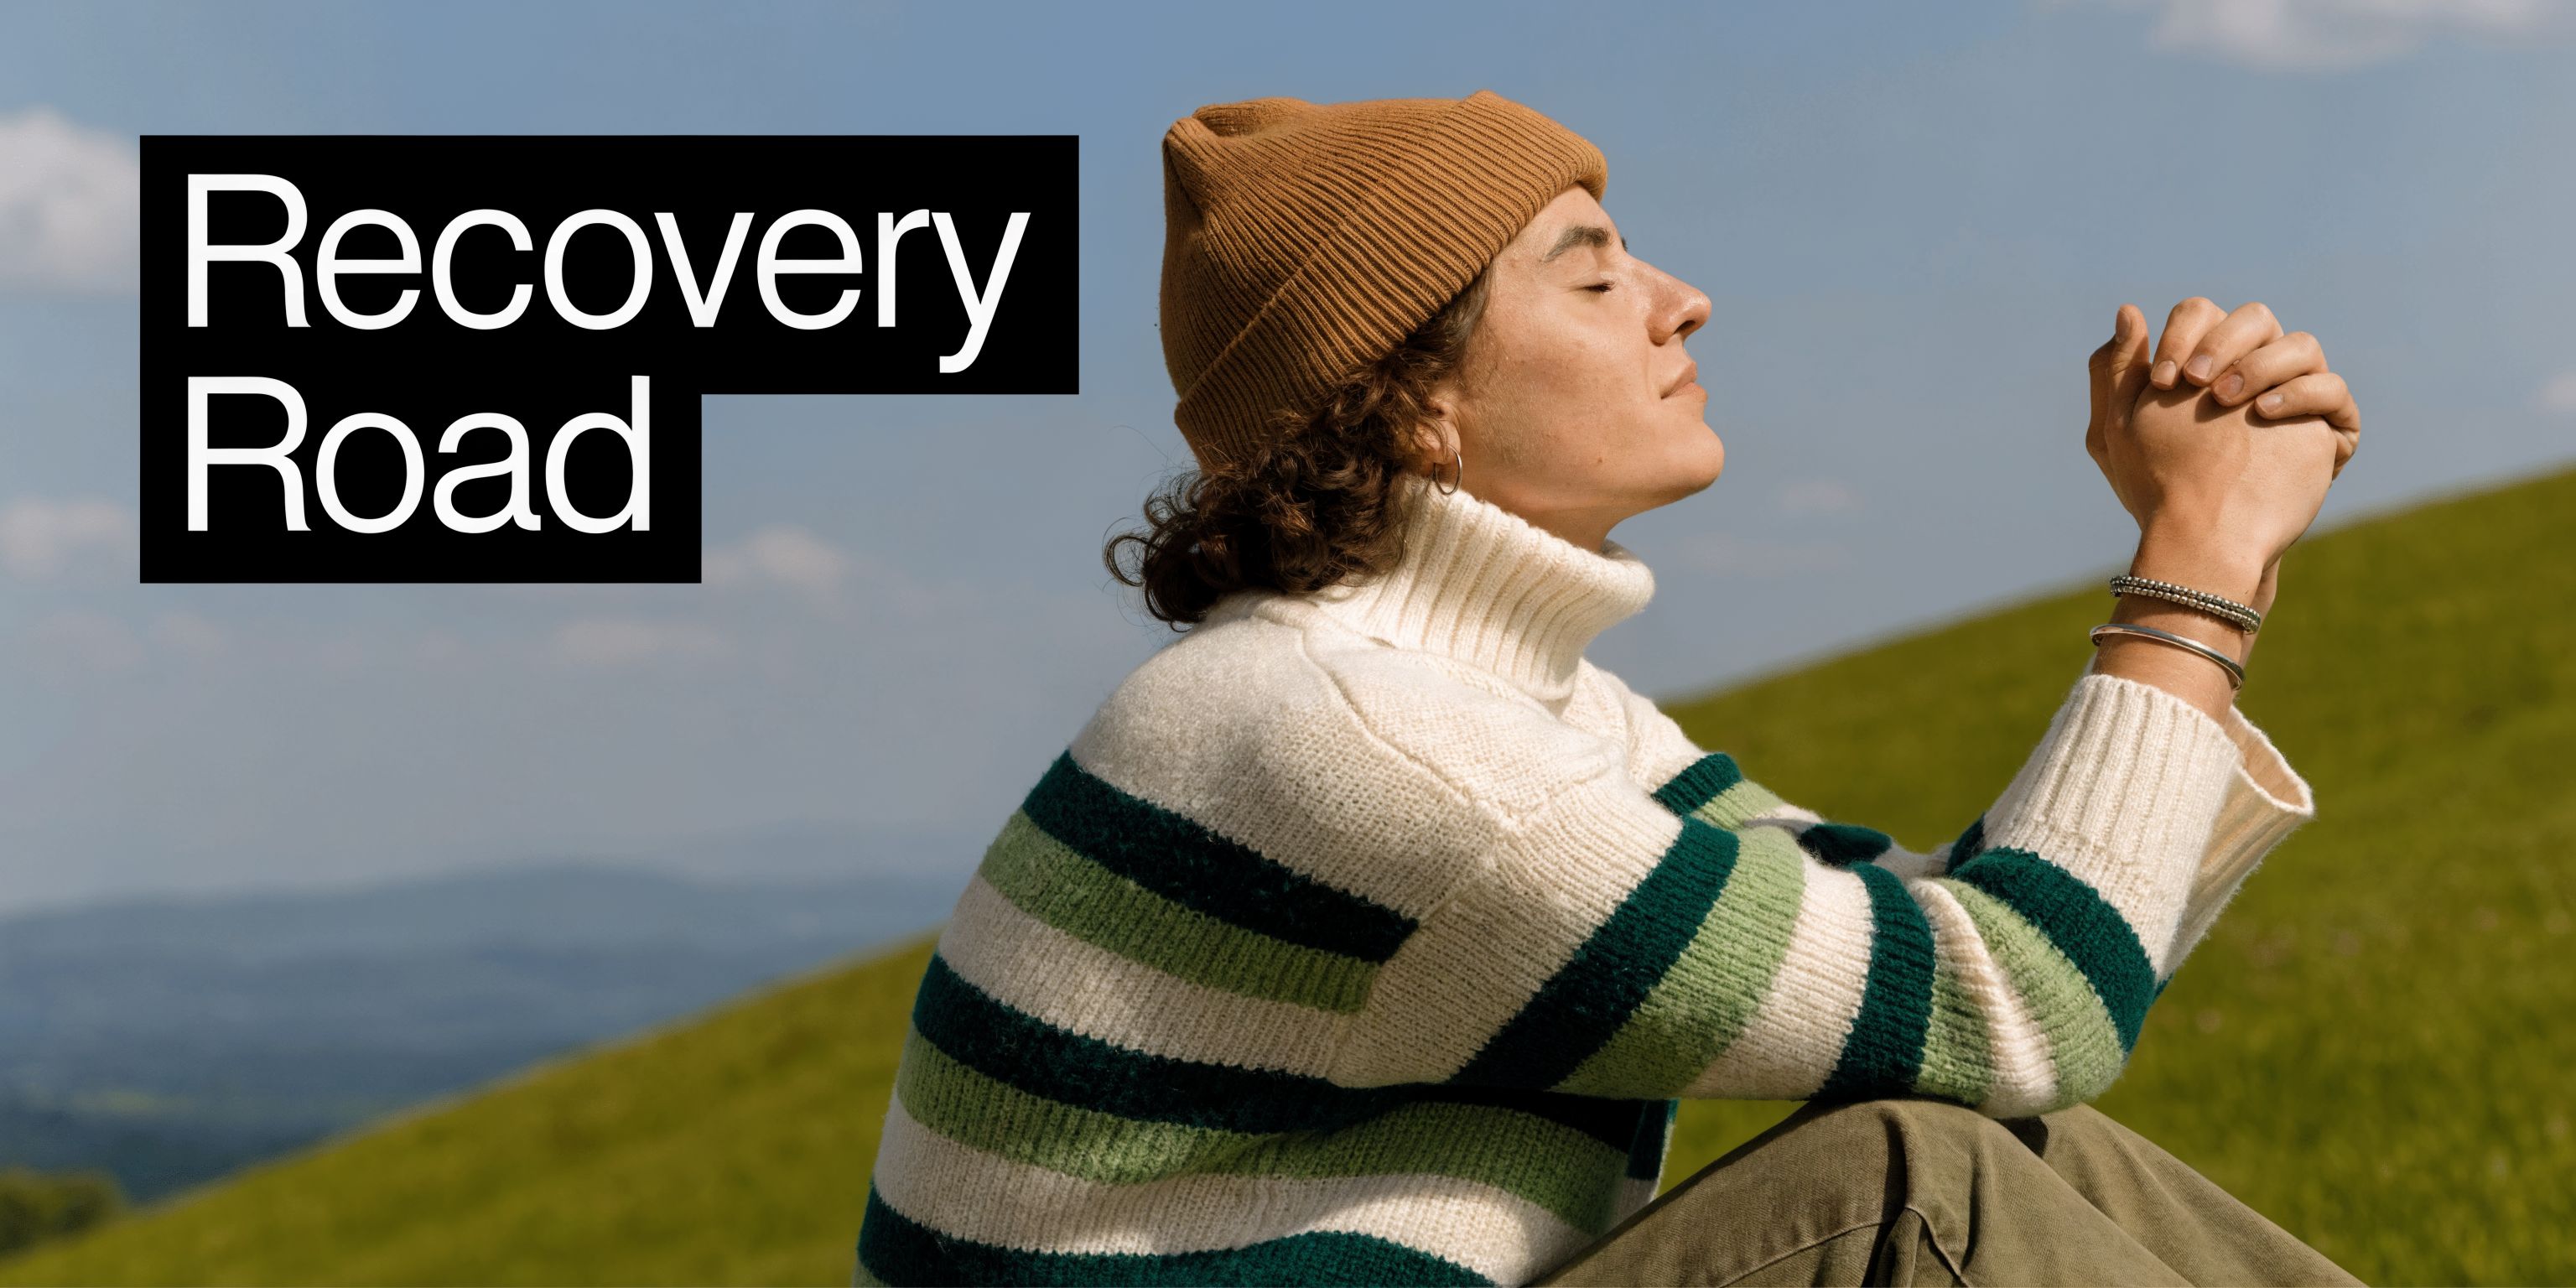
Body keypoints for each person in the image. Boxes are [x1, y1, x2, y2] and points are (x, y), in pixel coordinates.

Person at [850, 90, 2366, 1287]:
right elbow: (2021, 999)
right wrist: (2197, 563)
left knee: (2022, 1144)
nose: (1682, 299)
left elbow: (1956, 958)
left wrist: (2220, 567)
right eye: (1596, 275)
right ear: (1417, 402)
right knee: (1908, 1190)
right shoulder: (1358, 737)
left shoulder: (1519, 713)